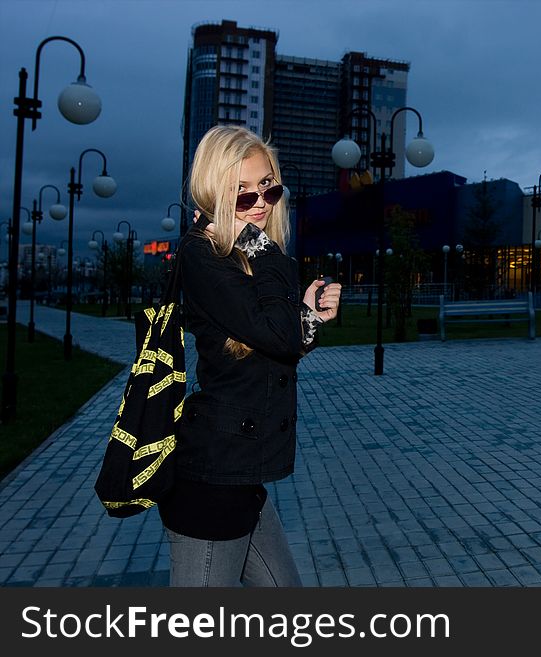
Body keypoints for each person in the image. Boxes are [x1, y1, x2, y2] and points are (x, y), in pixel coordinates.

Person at [158, 125, 341, 586]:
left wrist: (311, 317)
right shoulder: (203, 255)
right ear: (213, 190)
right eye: (241, 192)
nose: (259, 202)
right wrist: (269, 256)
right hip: (211, 478)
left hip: (241, 473)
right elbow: (277, 336)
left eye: (267, 187)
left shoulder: (245, 254)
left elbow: (273, 353)